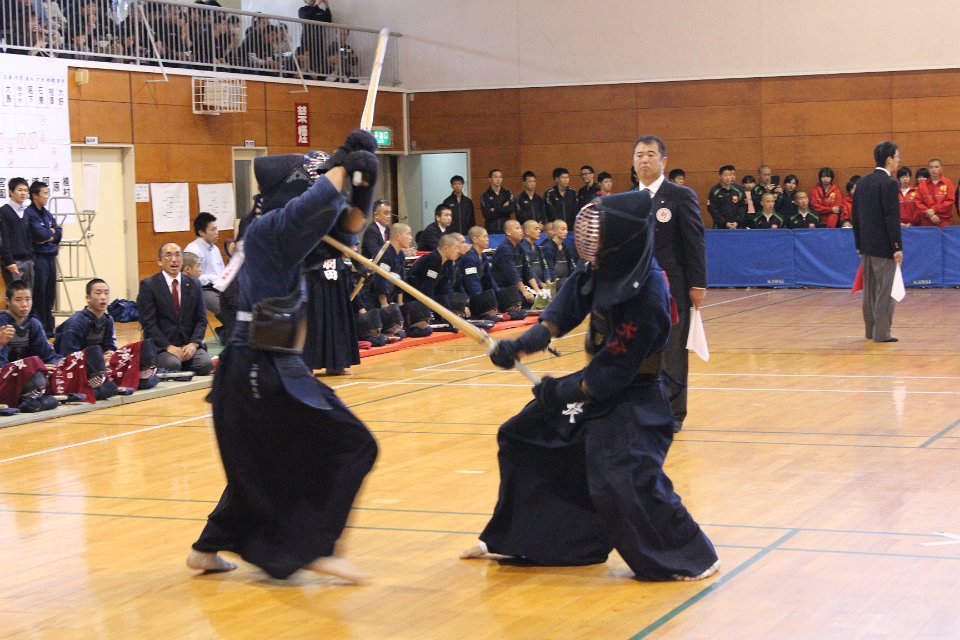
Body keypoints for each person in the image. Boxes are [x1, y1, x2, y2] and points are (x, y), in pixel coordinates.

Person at [461, 189, 719, 582]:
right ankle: (530, 539)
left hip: (635, 396)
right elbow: (564, 309)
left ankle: (690, 556)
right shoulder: (604, 263)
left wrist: (558, 392)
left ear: (622, 239)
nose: (590, 255)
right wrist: (523, 344)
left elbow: (614, 370)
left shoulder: (649, 292)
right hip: (597, 384)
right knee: (523, 434)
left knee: (619, 474)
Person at [188, 129, 380, 583]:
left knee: (269, 457)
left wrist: (364, 184)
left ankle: (208, 546)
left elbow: (349, 227)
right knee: (352, 444)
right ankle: (314, 547)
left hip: (263, 365)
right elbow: (319, 199)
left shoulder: (284, 233)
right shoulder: (271, 229)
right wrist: (343, 160)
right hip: (259, 364)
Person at [633, 135, 706, 430]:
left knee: (673, 351)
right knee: (640, 352)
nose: (644, 159)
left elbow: (694, 242)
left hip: (672, 288)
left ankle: (672, 413)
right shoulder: (628, 200)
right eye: (639, 155)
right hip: (636, 291)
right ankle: (643, 411)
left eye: (651, 154)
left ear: (663, 161)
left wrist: (698, 284)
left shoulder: (679, 196)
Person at [0, 279, 119, 404]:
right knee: (38, 380)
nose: (24, 304)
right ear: (8, 301)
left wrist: (61, 366)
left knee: (104, 361)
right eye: (18, 300)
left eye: (28, 299)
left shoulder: (33, 323)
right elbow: (68, 353)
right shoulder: (77, 322)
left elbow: (49, 355)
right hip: (8, 376)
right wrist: (1, 343)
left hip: (31, 372)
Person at [54, 277, 160, 392]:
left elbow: (110, 346)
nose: (103, 297)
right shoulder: (76, 322)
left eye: (106, 293)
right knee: (108, 385)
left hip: (103, 365)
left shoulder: (108, 319)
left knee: (138, 355)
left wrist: (110, 353)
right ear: (88, 298)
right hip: (79, 368)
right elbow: (68, 356)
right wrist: (97, 359)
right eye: (98, 293)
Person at [852, 141, 903, 343]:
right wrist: (897, 247)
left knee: (870, 291)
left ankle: (870, 330)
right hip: (884, 248)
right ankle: (882, 333)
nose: (899, 160)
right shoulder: (889, 183)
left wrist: (859, 244)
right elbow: (891, 218)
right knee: (885, 290)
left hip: (866, 247)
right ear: (889, 159)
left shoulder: (862, 182)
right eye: (897, 156)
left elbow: (855, 217)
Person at [136, 243, 213, 375]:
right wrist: (168, 347)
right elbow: (148, 323)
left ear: (182, 260)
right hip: (162, 347)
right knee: (173, 364)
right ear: (160, 261)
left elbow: (201, 319)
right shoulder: (149, 285)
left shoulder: (194, 284)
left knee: (205, 364)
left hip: (188, 345)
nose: (174, 259)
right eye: (168, 255)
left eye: (178, 255)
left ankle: (184, 362)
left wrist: (193, 344)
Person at [25, 180, 61, 337]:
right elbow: (39, 235)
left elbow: (58, 233)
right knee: (39, 293)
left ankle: (49, 328)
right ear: (35, 196)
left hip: (50, 257)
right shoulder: (29, 213)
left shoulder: (46, 213)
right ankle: (41, 330)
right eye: (44, 193)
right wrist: (49, 233)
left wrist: (50, 235)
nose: (47, 197)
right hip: (38, 258)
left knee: (50, 293)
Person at [184, 212, 226, 338]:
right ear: (201, 232)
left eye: (216, 228)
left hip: (220, 287)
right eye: (212, 229)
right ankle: (228, 332)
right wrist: (211, 278)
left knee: (240, 302)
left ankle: (226, 331)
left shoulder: (215, 249)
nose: (217, 232)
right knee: (224, 308)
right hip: (203, 289)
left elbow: (222, 272)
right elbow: (189, 278)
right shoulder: (193, 249)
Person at [491, 219, 537, 305]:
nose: (521, 231)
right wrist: (524, 291)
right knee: (526, 301)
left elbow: (527, 270)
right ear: (508, 232)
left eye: (521, 228)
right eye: (517, 228)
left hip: (516, 288)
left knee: (539, 297)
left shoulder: (519, 247)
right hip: (504, 288)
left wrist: (537, 290)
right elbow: (512, 274)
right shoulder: (504, 249)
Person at [0, 177, 35, 287]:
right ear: (11, 192)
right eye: (20, 190)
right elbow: (3, 239)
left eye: (25, 190)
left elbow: (29, 237)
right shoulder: (4, 212)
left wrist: (32, 258)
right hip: (13, 262)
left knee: (28, 294)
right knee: (15, 294)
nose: (23, 193)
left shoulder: (26, 213)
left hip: (28, 261)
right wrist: (9, 261)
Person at [459, 226, 500, 318]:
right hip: (470, 297)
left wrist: (498, 295)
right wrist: (483, 303)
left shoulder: (482, 256)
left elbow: (489, 279)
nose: (487, 239)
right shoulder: (469, 258)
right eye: (484, 237)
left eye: (487, 236)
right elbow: (472, 283)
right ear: (475, 239)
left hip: (480, 292)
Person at [915, 158, 954, 227]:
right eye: (931, 167)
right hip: (926, 220)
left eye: (936, 167)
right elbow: (918, 201)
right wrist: (928, 212)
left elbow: (949, 201)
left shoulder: (948, 183)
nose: (934, 169)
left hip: (943, 220)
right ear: (928, 170)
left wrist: (934, 209)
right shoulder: (922, 185)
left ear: (941, 169)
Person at [480, 169, 514, 233]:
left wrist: (495, 209)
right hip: (491, 230)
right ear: (490, 179)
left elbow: (511, 209)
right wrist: (503, 208)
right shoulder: (485, 195)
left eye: (500, 177)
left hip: (506, 230)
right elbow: (487, 214)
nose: (498, 179)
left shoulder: (507, 193)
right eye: (495, 177)